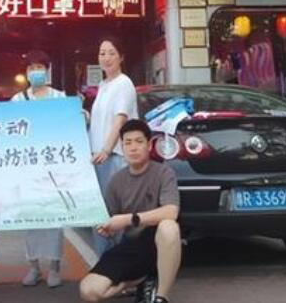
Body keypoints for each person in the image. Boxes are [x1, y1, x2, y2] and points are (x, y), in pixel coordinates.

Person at [79, 119, 181, 303]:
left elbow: (171, 212)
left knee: (169, 227)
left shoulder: (164, 173)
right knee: (89, 291)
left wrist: (129, 219)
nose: (133, 148)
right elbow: (108, 220)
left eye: (139, 142)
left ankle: (161, 297)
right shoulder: (116, 181)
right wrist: (105, 227)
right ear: (122, 147)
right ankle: (138, 280)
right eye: (128, 143)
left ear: (149, 146)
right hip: (130, 246)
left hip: (158, 243)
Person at [11, 50, 66, 289]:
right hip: (28, 167)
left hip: (54, 166)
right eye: (31, 68)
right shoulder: (18, 100)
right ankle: (34, 267)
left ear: (47, 70)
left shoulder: (59, 97)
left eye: (40, 67)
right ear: (26, 72)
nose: (36, 72)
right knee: (31, 218)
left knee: (55, 218)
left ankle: (54, 267)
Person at [88, 36, 138, 254]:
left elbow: (120, 119)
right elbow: (102, 120)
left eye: (111, 53)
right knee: (100, 214)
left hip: (114, 157)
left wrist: (107, 149)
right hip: (98, 158)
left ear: (121, 57)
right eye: (102, 53)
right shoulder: (103, 85)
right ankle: (103, 261)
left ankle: (118, 262)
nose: (106, 58)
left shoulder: (123, 83)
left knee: (115, 213)